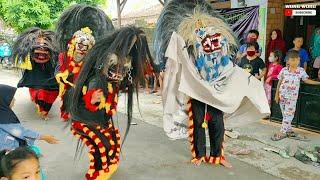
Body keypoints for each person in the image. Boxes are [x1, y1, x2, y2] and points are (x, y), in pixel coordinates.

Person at [155, 0, 270, 168]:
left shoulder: (221, 41)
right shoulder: (187, 42)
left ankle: (217, 156)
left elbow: (227, 65)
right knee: (198, 122)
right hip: (197, 89)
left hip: (217, 90)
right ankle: (199, 155)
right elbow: (182, 60)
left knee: (217, 122)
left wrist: (245, 82)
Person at [70, 27, 153, 179]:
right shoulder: (98, 75)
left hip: (101, 118)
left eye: (122, 69)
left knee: (113, 143)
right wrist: (92, 98)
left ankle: (109, 166)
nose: (119, 73)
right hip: (84, 119)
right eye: (116, 68)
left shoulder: (117, 78)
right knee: (102, 145)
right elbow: (92, 87)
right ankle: (96, 173)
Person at [55, 4, 114, 121]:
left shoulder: (92, 59)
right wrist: (64, 76)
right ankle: (67, 111)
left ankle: (81, 111)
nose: (82, 49)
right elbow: (57, 71)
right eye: (80, 45)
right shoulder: (64, 56)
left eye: (86, 46)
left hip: (84, 83)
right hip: (69, 84)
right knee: (68, 95)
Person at [272, 50, 320, 141]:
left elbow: (306, 80)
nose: (296, 61)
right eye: (293, 60)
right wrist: (276, 94)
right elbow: (279, 82)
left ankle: (282, 132)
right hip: (282, 96)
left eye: (298, 60)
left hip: (292, 98)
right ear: (288, 60)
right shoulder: (284, 70)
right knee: (284, 114)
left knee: (288, 114)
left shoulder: (301, 71)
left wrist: (318, 83)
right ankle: (289, 130)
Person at [13, 28, 59, 120]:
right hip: (35, 76)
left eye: (45, 45)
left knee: (51, 94)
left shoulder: (54, 60)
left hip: (50, 78)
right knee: (39, 94)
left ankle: (44, 111)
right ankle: (42, 109)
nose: (41, 48)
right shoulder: (30, 58)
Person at [0, 84, 59, 151]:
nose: (14, 100)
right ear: (4, 100)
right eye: (11, 98)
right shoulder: (5, 119)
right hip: (8, 151)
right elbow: (21, 132)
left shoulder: (3, 113)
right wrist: (44, 137)